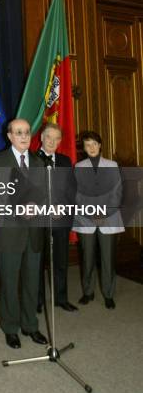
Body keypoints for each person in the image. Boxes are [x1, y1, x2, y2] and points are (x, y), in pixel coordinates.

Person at [0, 118, 48, 349]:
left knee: (32, 282)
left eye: (27, 132)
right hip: (10, 233)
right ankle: (10, 328)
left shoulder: (38, 163)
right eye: (18, 132)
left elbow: (43, 194)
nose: (24, 136)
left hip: (34, 233)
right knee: (10, 284)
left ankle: (31, 325)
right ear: (10, 136)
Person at [73, 131, 124, 309]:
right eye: (87, 145)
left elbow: (116, 193)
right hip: (86, 219)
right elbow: (77, 194)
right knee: (87, 258)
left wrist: (104, 213)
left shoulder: (112, 165)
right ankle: (88, 292)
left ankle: (108, 294)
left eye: (94, 143)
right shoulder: (79, 167)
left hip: (108, 219)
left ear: (100, 145)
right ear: (84, 148)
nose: (91, 148)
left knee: (108, 259)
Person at [37, 123, 78, 312]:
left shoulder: (64, 160)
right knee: (37, 263)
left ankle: (61, 298)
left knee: (61, 261)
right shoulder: (31, 160)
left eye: (56, 138)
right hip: (39, 220)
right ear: (41, 138)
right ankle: (36, 301)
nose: (52, 142)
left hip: (61, 219)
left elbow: (71, 189)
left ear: (60, 141)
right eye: (48, 137)